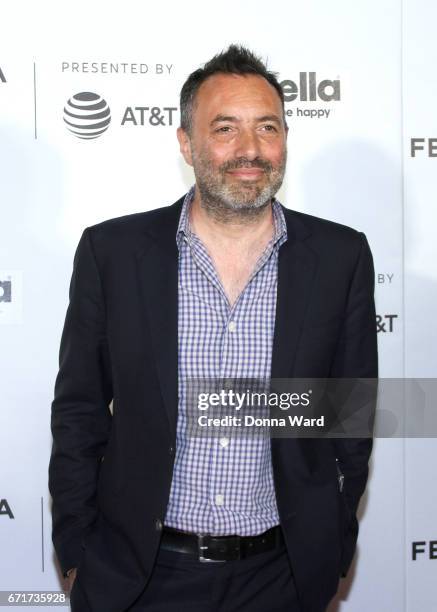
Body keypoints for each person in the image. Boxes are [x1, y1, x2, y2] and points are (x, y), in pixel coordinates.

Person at [49, 45, 378, 612]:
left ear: (284, 140)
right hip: (140, 578)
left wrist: (333, 545)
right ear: (186, 143)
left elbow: (348, 419)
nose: (249, 150)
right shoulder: (114, 252)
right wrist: (79, 553)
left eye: (266, 128)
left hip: (283, 578)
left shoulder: (340, 255)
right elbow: (79, 414)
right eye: (225, 128)